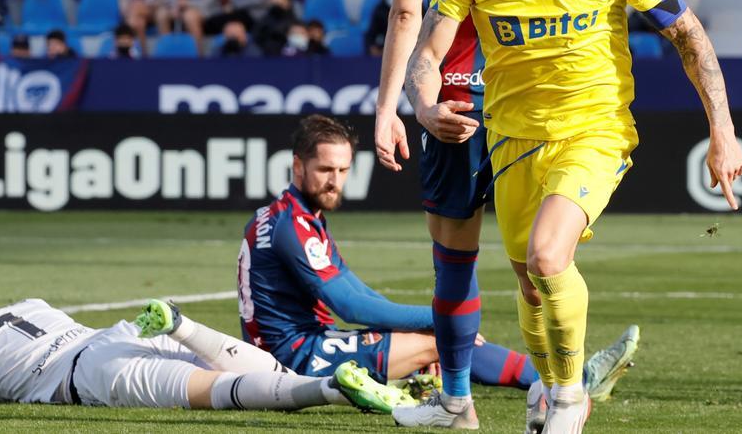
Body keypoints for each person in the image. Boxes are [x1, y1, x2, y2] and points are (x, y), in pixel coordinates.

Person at [403, 0, 742, 432]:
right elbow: (427, 52)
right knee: (531, 285)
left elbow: (688, 33)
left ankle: (565, 399)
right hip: (509, 137)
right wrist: (425, 106)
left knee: (547, 254)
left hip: (594, 129)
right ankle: (554, 387)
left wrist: (721, 130)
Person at [239, 116, 636, 405]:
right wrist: (437, 318)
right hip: (295, 357)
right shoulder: (292, 225)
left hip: (307, 342)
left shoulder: (293, 215)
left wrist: (433, 321)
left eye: (343, 170)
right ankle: (577, 381)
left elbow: (351, 286)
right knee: (441, 339)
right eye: (325, 169)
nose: (335, 180)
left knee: (443, 338)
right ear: (297, 166)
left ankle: (549, 378)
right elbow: (350, 305)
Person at [376, 0, 527, 426]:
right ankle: (556, 388)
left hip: (452, 104)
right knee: (541, 257)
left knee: (454, 257)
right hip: (530, 100)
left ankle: (457, 400)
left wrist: (388, 108)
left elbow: (408, 17)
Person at [0, 297, 415, 415]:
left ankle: (329, 388)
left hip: (88, 374)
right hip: (118, 333)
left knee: (215, 395)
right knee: (254, 369)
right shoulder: (32, 304)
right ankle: (181, 324)